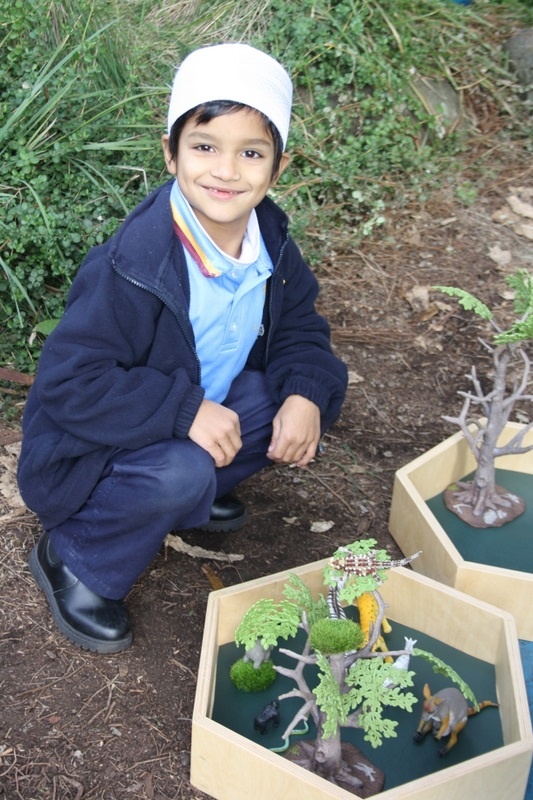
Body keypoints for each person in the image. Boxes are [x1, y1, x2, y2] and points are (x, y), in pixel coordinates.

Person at [17, 43, 348, 654]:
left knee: (282, 397)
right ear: (170, 151)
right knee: (181, 466)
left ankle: (190, 494)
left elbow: (302, 330)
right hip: (92, 449)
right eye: (204, 146)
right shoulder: (133, 263)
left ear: (278, 168)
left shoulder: (271, 245)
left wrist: (306, 395)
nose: (226, 170)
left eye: (251, 152)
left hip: (191, 412)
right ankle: (76, 557)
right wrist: (183, 412)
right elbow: (70, 383)